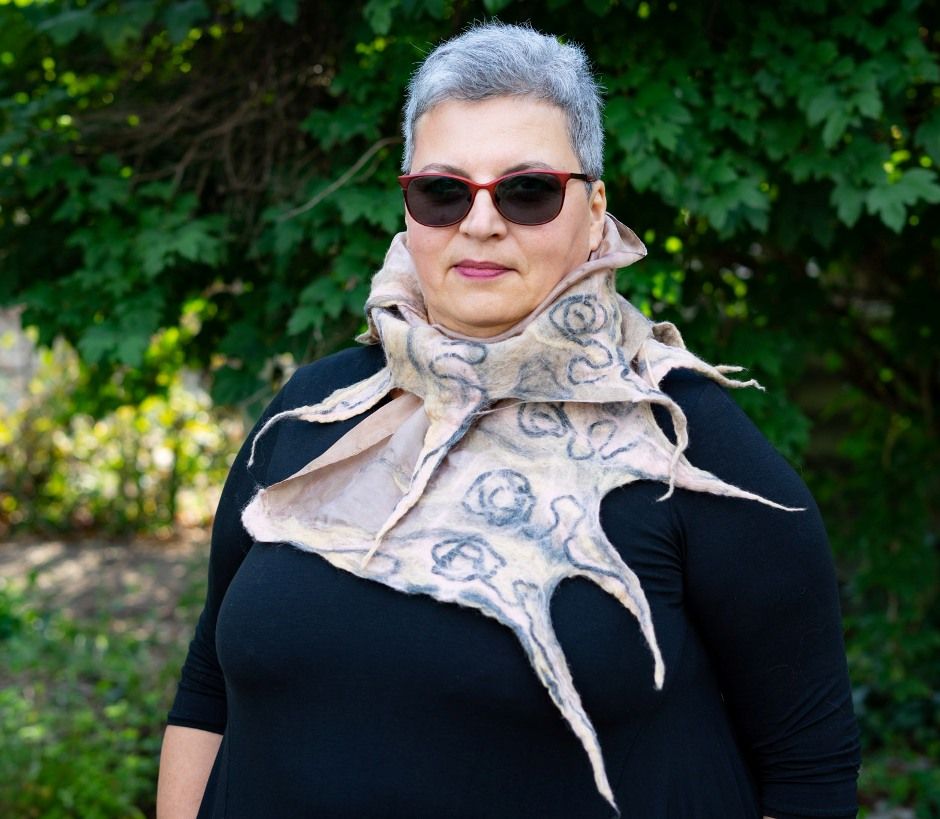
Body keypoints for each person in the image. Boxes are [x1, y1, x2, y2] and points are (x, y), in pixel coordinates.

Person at [156, 22, 861, 819]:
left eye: (528, 191)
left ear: (594, 210)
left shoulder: (685, 446)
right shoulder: (312, 415)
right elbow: (209, 688)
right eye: (443, 191)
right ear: (408, 206)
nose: (481, 222)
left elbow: (811, 768)